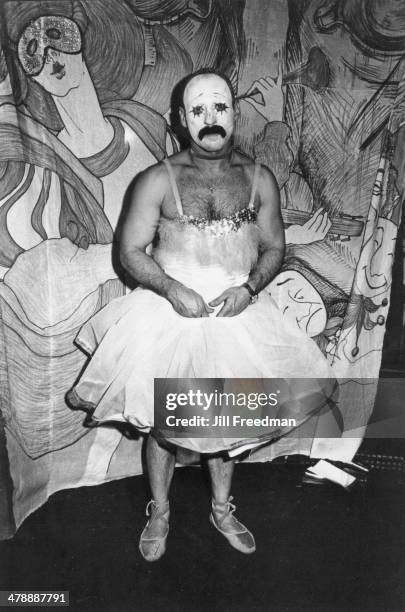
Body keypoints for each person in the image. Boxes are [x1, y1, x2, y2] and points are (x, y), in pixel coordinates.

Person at [68, 69, 335, 561]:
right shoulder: (157, 179)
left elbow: (275, 246)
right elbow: (129, 251)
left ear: (234, 112)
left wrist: (251, 288)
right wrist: (171, 288)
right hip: (172, 316)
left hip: (239, 316)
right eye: (198, 110)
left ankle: (221, 508)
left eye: (220, 108)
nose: (210, 120)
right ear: (180, 118)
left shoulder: (259, 179)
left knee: (225, 422)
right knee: (164, 426)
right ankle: (162, 511)